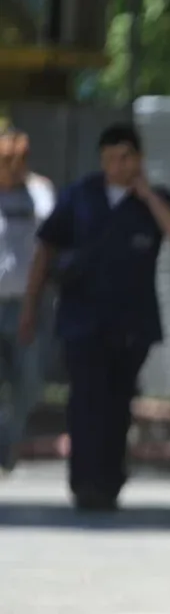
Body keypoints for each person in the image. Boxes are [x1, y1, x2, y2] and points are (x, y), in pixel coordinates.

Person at [23, 122, 170, 511]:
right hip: (81, 321)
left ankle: (109, 481)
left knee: (117, 405)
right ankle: (85, 485)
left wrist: (148, 195)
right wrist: (30, 308)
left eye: (123, 158)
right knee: (85, 403)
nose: (115, 167)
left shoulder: (157, 200)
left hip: (131, 325)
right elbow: (44, 249)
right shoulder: (80, 197)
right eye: (108, 159)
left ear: (137, 158)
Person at [0, 127, 56, 472]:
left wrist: (33, 306)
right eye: (6, 160)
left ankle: (9, 440)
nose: (13, 167)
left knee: (29, 382)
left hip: (28, 302)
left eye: (19, 160)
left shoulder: (40, 192)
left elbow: (47, 246)